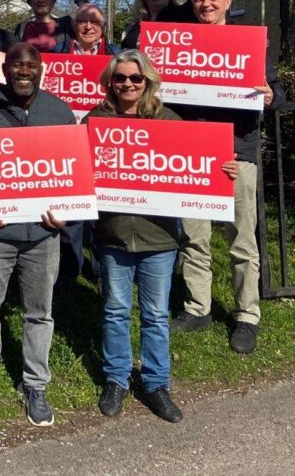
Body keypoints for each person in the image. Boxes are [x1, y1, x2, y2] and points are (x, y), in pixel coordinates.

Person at [85, 51, 238, 423]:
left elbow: (195, 162)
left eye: (135, 79)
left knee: (155, 315)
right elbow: (76, 167)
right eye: (120, 78)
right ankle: (117, 379)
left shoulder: (168, 120)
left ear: (148, 82)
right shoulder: (95, 120)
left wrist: (223, 170)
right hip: (113, 235)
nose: (127, 85)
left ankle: (155, 384)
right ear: (110, 82)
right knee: (115, 312)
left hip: (159, 238)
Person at [0, 43, 72, 429]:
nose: (24, 71)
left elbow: (71, 172)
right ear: (5, 69)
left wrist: (66, 216)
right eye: (17, 65)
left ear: (41, 69)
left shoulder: (59, 112)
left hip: (43, 234)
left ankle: (36, 385)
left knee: (40, 312)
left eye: (31, 65)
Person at [171, 0, 284, 355]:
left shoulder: (247, 41)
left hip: (237, 155)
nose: (205, 4)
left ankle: (246, 315)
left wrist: (270, 96)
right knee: (193, 236)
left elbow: (277, 90)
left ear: (228, 0)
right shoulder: (180, 42)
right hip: (190, 154)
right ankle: (197, 307)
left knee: (241, 239)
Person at [11, 0, 92, 52]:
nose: (41, 0)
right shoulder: (22, 28)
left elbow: (90, 25)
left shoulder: (66, 25)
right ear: (30, 1)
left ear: (53, 1)